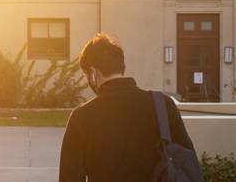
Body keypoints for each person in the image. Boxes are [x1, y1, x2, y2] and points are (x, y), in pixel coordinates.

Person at [59, 33, 197, 182]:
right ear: (121, 66)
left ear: (93, 73)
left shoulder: (82, 117)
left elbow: (69, 177)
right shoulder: (163, 104)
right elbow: (188, 162)